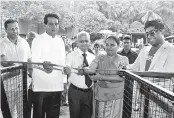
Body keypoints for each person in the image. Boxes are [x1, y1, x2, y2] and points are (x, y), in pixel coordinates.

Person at [128, 19, 174, 117]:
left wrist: (141, 75)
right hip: (142, 95)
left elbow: (167, 73)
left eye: (152, 33)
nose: (149, 37)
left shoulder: (171, 49)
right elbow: (135, 67)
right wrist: (125, 67)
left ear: (161, 30)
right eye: (147, 33)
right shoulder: (145, 49)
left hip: (160, 98)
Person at [83, 35, 129, 118]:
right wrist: (86, 69)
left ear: (118, 46)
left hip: (117, 96)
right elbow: (91, 70)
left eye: (112, 45)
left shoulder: (123, 59)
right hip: (102, 95)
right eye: (107, 45)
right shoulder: (100, 58)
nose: (109, 47)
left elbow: (121, 78)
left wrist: (100, 77)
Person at [31, 13, 66, 118]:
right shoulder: (38, 40)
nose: (54, 27)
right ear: (45, 25)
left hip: (56, 86)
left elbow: (62, 63)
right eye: (50, 24)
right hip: (41, 86)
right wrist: (44, 65)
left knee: (54, 116)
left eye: (56, 24)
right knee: (39, 115)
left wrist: (64, 82)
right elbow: (34, 61)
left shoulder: (60, 41)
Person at [0, 19, 32, 117]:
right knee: (9, 111)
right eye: (12, 29)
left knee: (23, 111)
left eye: (16, 28)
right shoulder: (2, 43)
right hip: (8, 84)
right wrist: (18, 68)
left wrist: (31, 76)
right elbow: (4, 61)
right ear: (6, 30)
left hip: (24, 82)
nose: (15, 31)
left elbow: (29, 59)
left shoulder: (24, 42)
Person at [64, 31, 95, 118]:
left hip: (89, 92)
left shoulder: (93, 57)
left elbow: (95, 72)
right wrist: (67, 69)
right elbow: (67, 66)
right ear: (77, 42)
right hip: (75, 92)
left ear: (89, 42)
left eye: (86, 41)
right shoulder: (70, 55)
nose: (84, 43)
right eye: (81, 41)